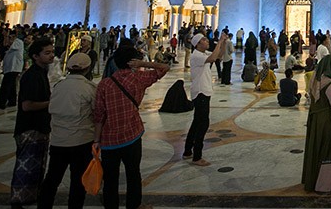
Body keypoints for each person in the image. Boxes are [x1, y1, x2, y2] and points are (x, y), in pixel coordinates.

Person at [93, 46, 169, 209]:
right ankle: (134, 205)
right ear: (133, 62)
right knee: (133, 173)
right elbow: (164, 68)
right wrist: (144, 63)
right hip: (132, 135)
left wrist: (96, 140)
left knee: (110, 178)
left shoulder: (104, 85)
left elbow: (99, 115)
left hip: (110, 140)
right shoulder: (138, 79)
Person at [38, 53, 96, 209]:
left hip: (58, 140)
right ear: (88, 68)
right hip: (81, 140)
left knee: (52, 178)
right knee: (78, 180)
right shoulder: (89, 88)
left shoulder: (59, 86)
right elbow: (96, 112)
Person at [9, 38, 55, 208]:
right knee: (26, 166)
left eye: (52, 52)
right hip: (30, 127)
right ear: (35, 56)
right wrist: (52, 103)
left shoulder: (41, 72)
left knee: (37, 165)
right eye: (47, 53)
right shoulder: (32, 76)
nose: (52, 55)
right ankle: (19, 200)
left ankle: (30, 196)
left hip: (40, 125)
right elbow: (27, 105)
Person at [302, 54, 331, 194]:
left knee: (315, 147)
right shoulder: (329, 83)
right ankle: (324, 185)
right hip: (325, 120)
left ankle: (311, 181)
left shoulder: (315, 78)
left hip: (314, 118)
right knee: (326, 149)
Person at [184, 33, 223, 166]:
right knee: (203, 124)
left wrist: (223, 43)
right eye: (204, 40)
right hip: (200, 92)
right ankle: (197, 156)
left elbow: (218, 56)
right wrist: (219, 42)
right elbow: (213, 58)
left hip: (203, 90)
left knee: (196, 122)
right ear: (198, 44)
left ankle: (187, 150)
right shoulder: (196, 56)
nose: (207, 41)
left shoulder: (203, 53)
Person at [0, 29, 25, 109]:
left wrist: (7, 36)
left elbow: (9, 44)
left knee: (6, 86)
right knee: (12, 85)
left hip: (14, 67)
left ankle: (2, 103)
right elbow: (5, 45)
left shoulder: (18, 42)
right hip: (10, 67)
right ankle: (12, 101)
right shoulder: (15, 42)